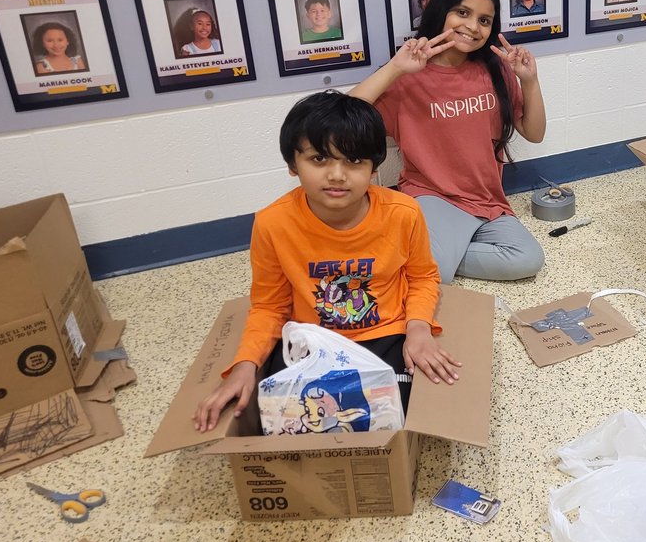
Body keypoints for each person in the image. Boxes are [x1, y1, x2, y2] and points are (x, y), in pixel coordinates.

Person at [193, 91, 459, 431]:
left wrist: (418, 328)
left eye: (353, 161)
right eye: (319, 159)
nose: (336, 174)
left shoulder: (403, 213)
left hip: (386, 335)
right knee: (278, 419)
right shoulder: (272, 223)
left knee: (396, 417)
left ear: (373, 167)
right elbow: (269, 306)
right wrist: (245, 364)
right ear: (293, 164)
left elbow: (422, 278)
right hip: (310, 341)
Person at [351, 0, 546, 285]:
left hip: (487, 201)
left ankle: (423, 249)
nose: (472, 26)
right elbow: (342, 119)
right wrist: (394, 69)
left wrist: (530, 81)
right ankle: (428, 250)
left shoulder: (495, 68)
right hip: (432, 197)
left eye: (484, 20)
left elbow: (534, 133)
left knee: (527, 259)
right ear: (442, 10)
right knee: (434, 276)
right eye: (463, 12)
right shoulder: (409, 75)